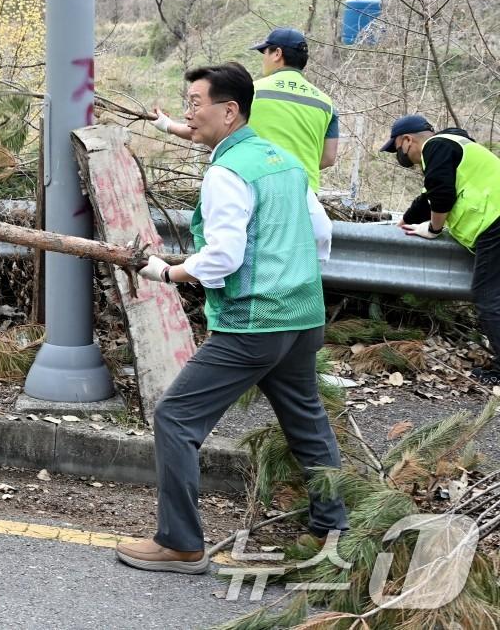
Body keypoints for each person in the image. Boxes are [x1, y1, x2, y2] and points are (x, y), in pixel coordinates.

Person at [117, 63, 348, 575]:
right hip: (302, 317)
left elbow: (223, 257)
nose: (187, 112)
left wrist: (169, 272)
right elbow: (320, 234)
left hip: (253, 324)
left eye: (196, 102)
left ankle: (180, 543)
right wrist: (290, 278)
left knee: (176, 418)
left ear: (229, 110)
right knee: (306, 422)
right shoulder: (283, 160)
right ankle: (333, 527)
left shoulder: (228, 171)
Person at [381, 114, 500, 386]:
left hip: (495, 221)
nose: (399, 155)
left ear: (408, 140)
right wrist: (406, 221)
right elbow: (429, 195)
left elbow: (442, 196)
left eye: (397, 147)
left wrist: (433, 230)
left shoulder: (436, 146)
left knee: (488, 298)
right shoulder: (451, 147)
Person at [152, 28, 340, 192]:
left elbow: (209, 128)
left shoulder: (250, 93)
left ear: (277, 54)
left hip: (257, 190)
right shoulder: (326, 103)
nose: (263, 60)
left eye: (264, 53)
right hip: (305, 195)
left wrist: (167, 125)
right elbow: (328, 158)